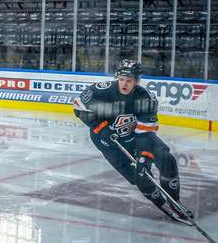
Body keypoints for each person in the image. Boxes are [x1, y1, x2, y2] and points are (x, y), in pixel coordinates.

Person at [73, 60, 190, 221]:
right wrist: (101, 128)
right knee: (139, 177)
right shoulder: (102, 91)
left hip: (136, 138)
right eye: (121, 79)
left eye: (129, 80)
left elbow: (146, 134)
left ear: (136, 81)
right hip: (109, 144)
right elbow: (79, 107)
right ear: (117, 78)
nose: (124, 84)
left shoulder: (145, 98)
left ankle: (174, 202)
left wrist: (144, 157)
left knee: (166, 158)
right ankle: (161, 203)